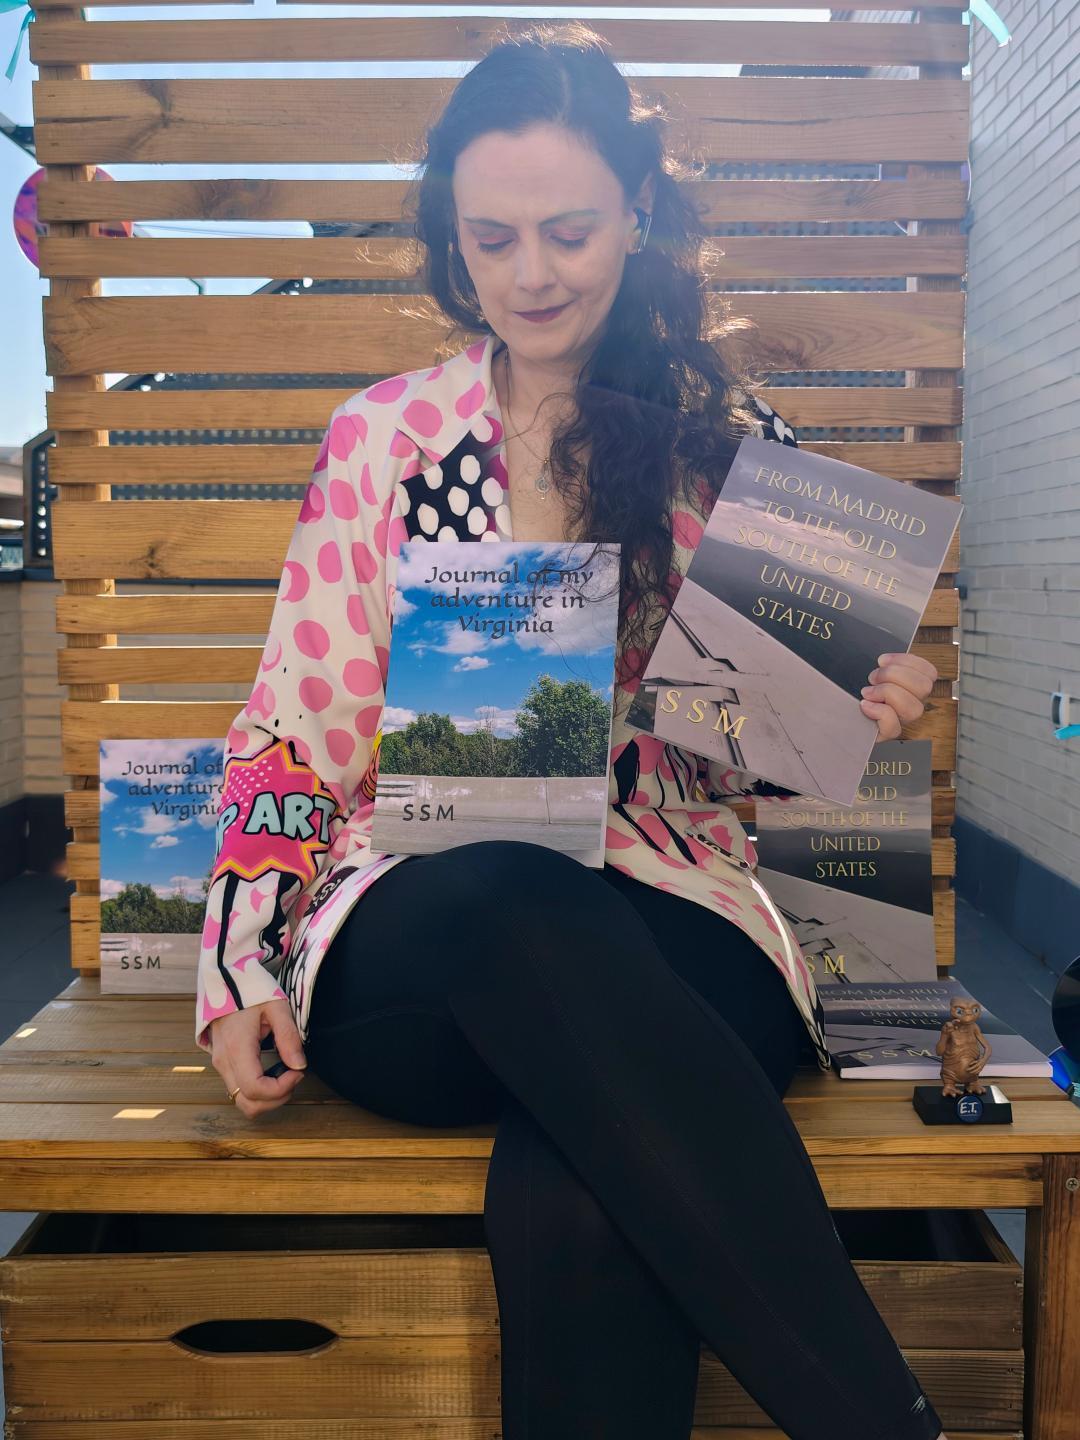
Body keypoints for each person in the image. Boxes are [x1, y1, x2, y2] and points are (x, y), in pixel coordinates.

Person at [196, 22, 947, 1440]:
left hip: (674, 902)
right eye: (492, 239)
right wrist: (237, 967)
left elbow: (777, 767)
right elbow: (295, 725)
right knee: (509, 895)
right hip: (432, 923)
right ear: (454, 240)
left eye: (569, 231)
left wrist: (857, 718)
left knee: (596, 1175)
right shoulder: (382, 441)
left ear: (638, 213)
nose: (530, 273)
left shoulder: (731, 445)